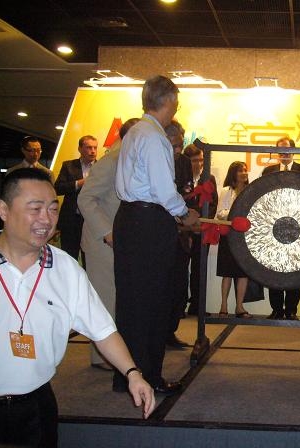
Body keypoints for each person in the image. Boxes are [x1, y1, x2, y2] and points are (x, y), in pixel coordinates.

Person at [0, 168, 154, 448]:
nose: (46, 219)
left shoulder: (65, 269)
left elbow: (103, 330)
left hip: (37, 404)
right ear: (3, 210)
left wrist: (132, 373)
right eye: (35, 209)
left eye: (52, 209)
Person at [113, 75, 200, 396]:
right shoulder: (154, 137)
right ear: (169, 101)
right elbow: (164, 191)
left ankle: (126, 375)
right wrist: (185, 215)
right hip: (149, 223)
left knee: (131, 302)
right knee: (153, 301)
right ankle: (148, 377)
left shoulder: (135, 132)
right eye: (176, 102)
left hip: (130, 219)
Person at [78, 118, 140, 371]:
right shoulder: (110, 162)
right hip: (102, 241)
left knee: (118, 298)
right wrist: (107, 232)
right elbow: (85, 199)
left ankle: (115, 354)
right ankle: (101, 356)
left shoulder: (128, 160)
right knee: (105, 299)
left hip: (121, 241)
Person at [262, 136, 300, 320]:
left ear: (294, 150)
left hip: (296, 226)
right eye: (280, 150)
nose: (283, 153)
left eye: (287, 149)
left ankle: (291, 310)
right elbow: (263, 199)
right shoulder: (268, 171)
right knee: (274, 267)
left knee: (294, 268)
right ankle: (276, 309)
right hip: (273, 226)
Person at [165, 120, 194, 349]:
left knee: (179, 283)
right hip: (157, 229)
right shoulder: (154, 158)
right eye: (174, 145)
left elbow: (187, 193)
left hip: (181, 230)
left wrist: (187, 224)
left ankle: (170, 331)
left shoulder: (184, 162)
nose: (177, 150)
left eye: (180, 145)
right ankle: (157, 332)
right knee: (160, 285)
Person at [183, 143, 218, 316]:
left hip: (203, 229)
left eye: (201, 160)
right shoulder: (181, 177)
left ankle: (197, 305)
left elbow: (213, 204)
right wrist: (189, 223)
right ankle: (179, 305)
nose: (198, 164)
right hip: (184, 230)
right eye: (194, 160)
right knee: (181, 268)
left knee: (199, 269)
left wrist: (201, 223)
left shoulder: (209, 178)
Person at [54, 135, 98, 265]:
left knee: (90, 260)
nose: (93, 151)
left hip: (92, 221)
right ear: (80, 149)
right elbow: (58, 188)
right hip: (71, 220)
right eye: (89, 147)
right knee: (69, 258)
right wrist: (79, 183)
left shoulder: (102, 167)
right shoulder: (68, 166)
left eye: (95, 148)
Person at [216, 161, 252, 318]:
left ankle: (239, 307)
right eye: (240, 170)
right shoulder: (226, 191)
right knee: (227, 272)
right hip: (229, 235)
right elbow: (220, 213)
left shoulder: (251, 191)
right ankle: (223, 306)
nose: (244, 173)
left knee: (243, 273)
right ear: (233, 173)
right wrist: (236, 214)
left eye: (245, 170)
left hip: (245, 236)